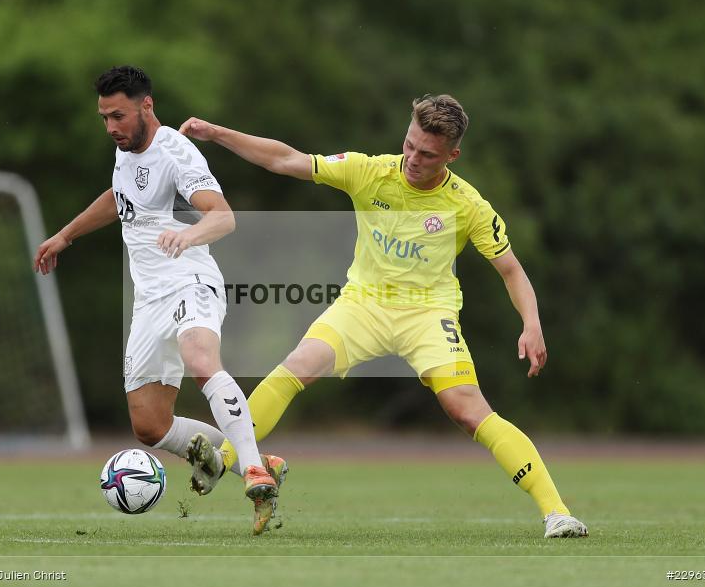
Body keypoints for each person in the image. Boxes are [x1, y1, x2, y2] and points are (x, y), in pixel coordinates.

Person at [178, 94, 588, 538]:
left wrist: (532, 323)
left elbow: (511, 270)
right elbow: (285, 160)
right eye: (409, 144)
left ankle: (557, 513)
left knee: (467, 410)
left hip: (428, 315)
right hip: (363, 305)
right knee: (296, 367)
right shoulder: (370, 171)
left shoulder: (467, 204)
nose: (412, 157)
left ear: (452, 155)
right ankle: (228, 460)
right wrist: (217, 134)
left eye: (427, 153)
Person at [33, 66, 286, 535]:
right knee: (150, 426)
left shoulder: (176, 153)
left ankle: (253, 471)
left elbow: (223, 217)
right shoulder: (125, 151)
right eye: (105, 118)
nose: (111, 127)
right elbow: (120, 196)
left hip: (190, 279)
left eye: (119, 116)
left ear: (146, 106)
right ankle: (262, 462)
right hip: (148, 299)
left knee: (200, 358)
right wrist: (66, 235)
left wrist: (189, 235)